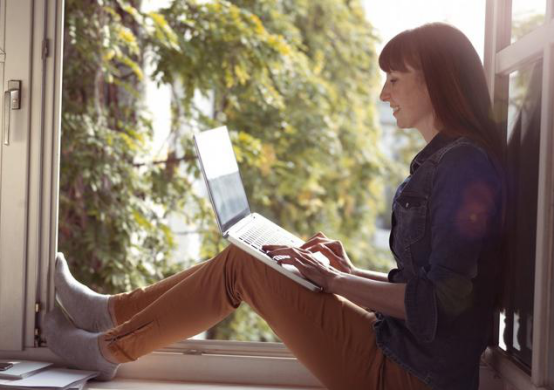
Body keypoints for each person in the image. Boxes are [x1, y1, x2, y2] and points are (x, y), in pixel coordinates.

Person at [44, 22, 505, 390]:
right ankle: (108, 315)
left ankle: (107, 348)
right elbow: (426, 287)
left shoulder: (463, 166)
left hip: (410, 375)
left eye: (394, 79)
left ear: (436, 82)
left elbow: (443, 303)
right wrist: (350, 272)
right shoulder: (449, 160)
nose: (384, 94)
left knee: (244, 267)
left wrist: (336, 281)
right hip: (403, 351)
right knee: (249, 256)